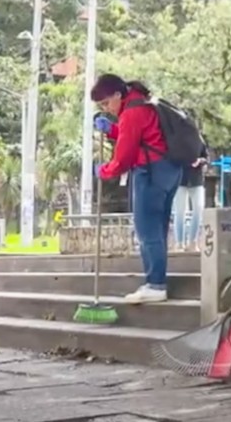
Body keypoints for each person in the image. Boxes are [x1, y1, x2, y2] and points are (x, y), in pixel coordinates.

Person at [91, 74, 182, 304]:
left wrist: (105, 171)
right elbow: (142, 136)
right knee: (157, 228)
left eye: (106, 103)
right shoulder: (142, 102)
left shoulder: (131, 113)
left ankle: (155, 284)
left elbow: (124, 158)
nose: (105, 108)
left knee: (146, 229)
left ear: (118, 95)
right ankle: (157, 279)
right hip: (170, 169)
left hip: (150, 171)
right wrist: (112, 130)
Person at [172, 127, 209, 251]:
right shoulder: (176, 140)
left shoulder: (199, 139)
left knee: (198, 209)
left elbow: (206, 157)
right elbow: (171, 158)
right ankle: (179, 242)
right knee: (180, 212)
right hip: (180, 179)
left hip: (196, 179)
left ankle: (193, 241)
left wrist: (200, 161)